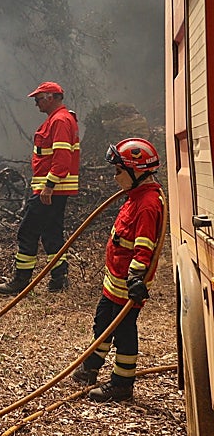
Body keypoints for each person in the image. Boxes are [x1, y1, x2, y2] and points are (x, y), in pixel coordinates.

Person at [72, 138, 165, 402]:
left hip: (127, 287)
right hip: (114, 284)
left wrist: (136, 278)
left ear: (136, 171)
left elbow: (144, 247)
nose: (115, 178)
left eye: (118, 171)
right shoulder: (135, 197)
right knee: (103, 323)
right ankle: (90, 368)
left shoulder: (148, 204)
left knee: (124, 334)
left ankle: (121, 385)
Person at [0, 81, 80, 294]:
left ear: (50, 97)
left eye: (38, 99)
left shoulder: (59, 120)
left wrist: (49, 186)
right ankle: (59, 279)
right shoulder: (59, 119)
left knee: (27, 232)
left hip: (51, 190)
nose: (36, 104)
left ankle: (21, 281)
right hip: (56, 189)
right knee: (52, 233)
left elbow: (62, 159)